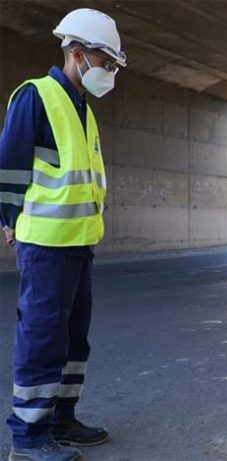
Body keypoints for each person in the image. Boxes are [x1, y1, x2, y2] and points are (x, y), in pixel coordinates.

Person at [0, 8, 126, 461]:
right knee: (42, 337)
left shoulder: (82, 109)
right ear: (77, 54)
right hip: (46, 244)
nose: (109, 72)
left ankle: (62, 419)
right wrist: (8, 220)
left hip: (77, 243)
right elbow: (10, 167)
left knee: (74, 338)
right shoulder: (37, 97)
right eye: (105, 62)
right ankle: (29, 439)